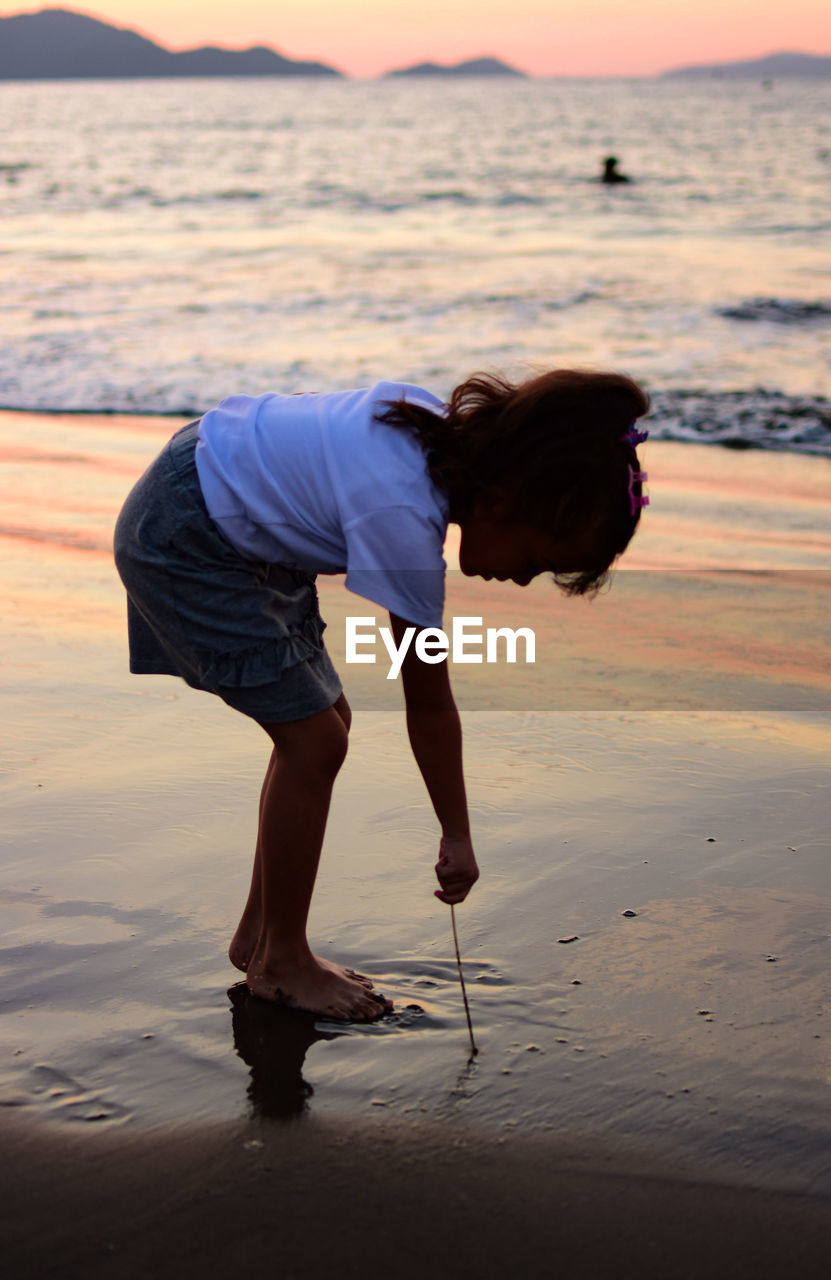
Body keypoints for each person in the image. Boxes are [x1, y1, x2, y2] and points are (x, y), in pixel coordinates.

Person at [114, 369, 650, 1022]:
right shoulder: (401, 513)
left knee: (325, 721)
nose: (521, 578)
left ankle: (260, 938)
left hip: (230, 509)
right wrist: (456, 833)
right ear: (509, 499)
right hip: (191, 534)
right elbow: (425, 696)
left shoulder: (431, 442)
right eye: (537, 559)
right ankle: (281, 961)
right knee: (311, 740)